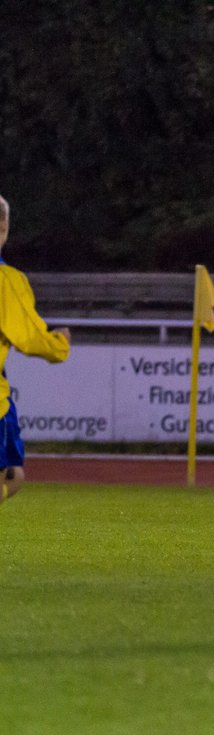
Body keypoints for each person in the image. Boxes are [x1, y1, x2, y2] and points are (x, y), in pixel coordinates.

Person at [0, 193, 71, 506]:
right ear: (4, 229)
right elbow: (30, 338)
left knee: (13, 474)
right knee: (11, 477)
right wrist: (60, 343)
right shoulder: (7, 281)